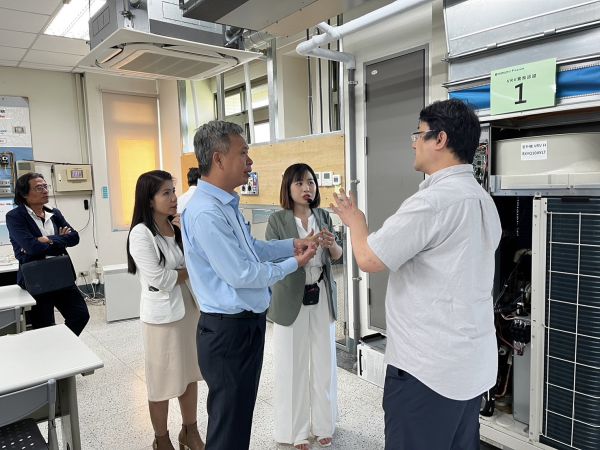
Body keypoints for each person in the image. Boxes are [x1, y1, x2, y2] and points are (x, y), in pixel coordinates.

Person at [331, 99, 502, 450]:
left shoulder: (433, 202)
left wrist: (356, 222)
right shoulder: (482, 199)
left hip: (427, 372)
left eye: (418, 134)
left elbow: (369, 259)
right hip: (469, 367)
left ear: (440, 139)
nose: (413, 143)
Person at [181, 120, 317, 450]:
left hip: (244, 326)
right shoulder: (206, 213)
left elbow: (252, 249)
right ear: (218, 159)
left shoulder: (225, 204)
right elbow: (242, 273)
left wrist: (291, 246)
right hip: (228, 332)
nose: (250, 161)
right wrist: (294, 264)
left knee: (237, 420)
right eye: (243, 153)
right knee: (228, 428)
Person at [266, 163, 343, 450]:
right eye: (299, 183)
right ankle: (294, 431)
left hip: (321, 293)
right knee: (291, 364)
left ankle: (324, 424)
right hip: (290, 297)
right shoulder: (277, 220)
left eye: (310, 182)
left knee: (324, 361)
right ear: (288, 188)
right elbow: (272, 259)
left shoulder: (323, 216)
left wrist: (331, 244)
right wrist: (302, 249)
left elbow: (337, 256)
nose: (306, 188)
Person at [127, 170, 204, 450]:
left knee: (190, 374)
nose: (174, 198)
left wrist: (188, 247)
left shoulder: (177, 227)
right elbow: (159, 278)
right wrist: (188, 271)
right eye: (166, 193)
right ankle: (161, 440)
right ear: (149, 200)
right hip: (162, 318)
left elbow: (198, 260)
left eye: (173, 191)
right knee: (161, 381)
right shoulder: (141, 233)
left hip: (189, 309)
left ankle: (190, 431)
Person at [6, 172, 89, 335]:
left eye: (45, 186)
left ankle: (60, 344)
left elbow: (74, 238)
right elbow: (32, 247)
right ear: (24, 194)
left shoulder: (54, 213)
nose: (45, 190)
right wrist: (60, 240)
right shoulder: (15, 217)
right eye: (39, 188)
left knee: (80, 315)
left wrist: (47, 240)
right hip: (36, 277)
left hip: (61, 273)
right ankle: (50, 348)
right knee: (43, 325)